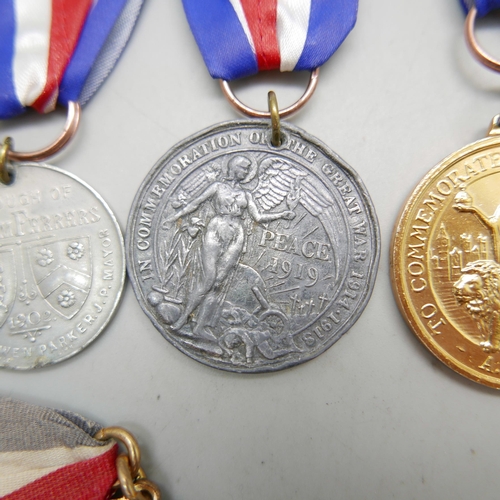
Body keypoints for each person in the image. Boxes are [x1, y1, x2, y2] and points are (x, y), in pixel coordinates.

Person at [164, 155, 295, 339]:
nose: (247, 171)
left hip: (236, 235)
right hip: (216, 229)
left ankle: (199, 326)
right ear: (234, 168)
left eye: (249, 169)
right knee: (208, 279)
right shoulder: (217, 187)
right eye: (244, 167)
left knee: (218, 283)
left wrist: (282, 214)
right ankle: (182, 320)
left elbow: (258, 217)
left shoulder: (246, 195)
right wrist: (174, 217)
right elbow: (196, 203)